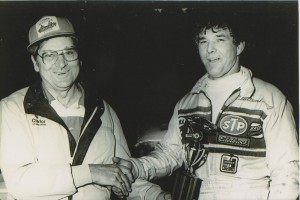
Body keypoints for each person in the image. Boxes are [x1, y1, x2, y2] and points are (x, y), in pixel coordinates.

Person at [115, 17, 299, 199]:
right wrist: (136, 167)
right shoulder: (187, 104)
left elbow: (287, 171)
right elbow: (170, 154)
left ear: (239, 46)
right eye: (203, 41)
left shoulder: (268, 99)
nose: (210, 50)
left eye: (220, 39)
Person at [0, 16, 170, 200]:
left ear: (79, 57)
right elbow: (19, 182)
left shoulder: (104, 110)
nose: (61, 63)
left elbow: (122, 174)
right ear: (36, 63)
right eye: (49, 55)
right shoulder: (14, 108)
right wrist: (92, 173)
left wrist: (154, 195)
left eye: (68, 52)